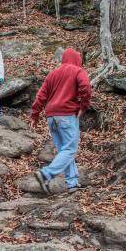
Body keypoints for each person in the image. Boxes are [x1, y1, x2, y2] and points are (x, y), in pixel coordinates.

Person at [29, 48, 92, 194]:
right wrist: (84, 106)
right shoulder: (77, 71)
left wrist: (35, 115)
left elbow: (41, 96)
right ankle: (46, 173)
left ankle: (72, 183)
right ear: (77, 60)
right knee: (70, 149)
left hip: (51, 117)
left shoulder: (53, 74)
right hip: (67, 115)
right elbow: (86, 87)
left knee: (65, 151)